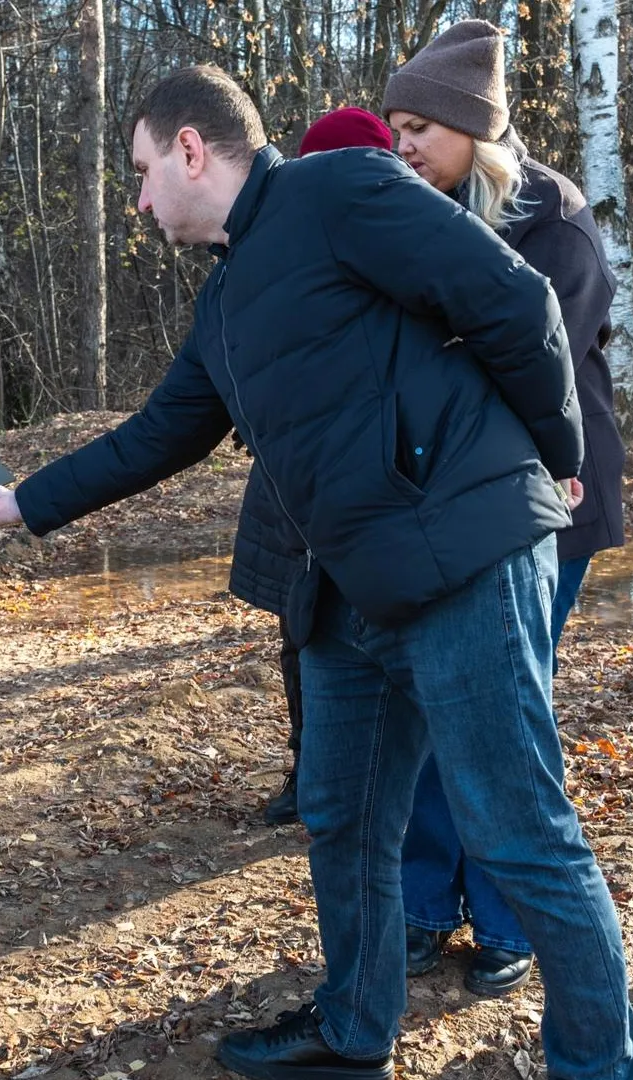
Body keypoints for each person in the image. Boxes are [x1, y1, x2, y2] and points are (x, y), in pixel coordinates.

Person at [0, 65, 633, 1080]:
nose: (140, 203)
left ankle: (597, 1063)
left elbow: (519, 302)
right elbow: (161, 433)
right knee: (344, 816)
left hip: (465, 563)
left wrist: (556, 456)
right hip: (350, 590)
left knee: (518, 829)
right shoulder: (228, 295)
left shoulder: (339, 191)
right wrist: (26, 501)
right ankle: (355, 1026)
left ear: (193, 148)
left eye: (143, 174)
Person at [381, 18, 627, 998]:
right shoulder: (420, 208)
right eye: (394, 125)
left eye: (418, 128)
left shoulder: (549, 219)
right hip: (450, 503)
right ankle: (426, 904)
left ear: (469, 130)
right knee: (442, 703)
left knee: (503, 716)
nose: (400, 144)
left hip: (548, 504)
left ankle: (510, 917)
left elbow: (528, 367)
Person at [242, 105, 394, 829]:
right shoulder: (281, 259)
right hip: (286, 498)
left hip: (366, 508)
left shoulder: (400, 254)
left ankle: (351, 780)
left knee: (359, 643)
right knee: (298, 637)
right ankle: (307, 772)